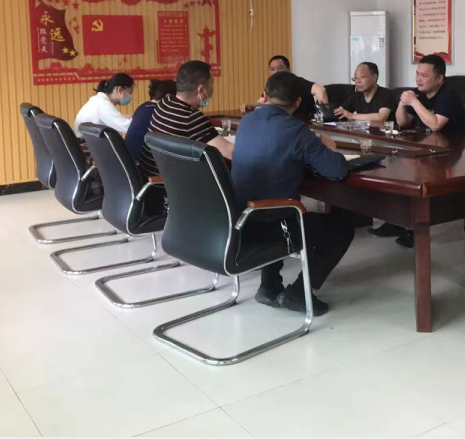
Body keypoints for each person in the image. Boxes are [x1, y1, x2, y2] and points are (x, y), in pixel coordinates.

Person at [231, 71, 354, 316]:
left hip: (240, 220)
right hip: (272, 226)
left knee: (272, 201)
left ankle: (269, 286)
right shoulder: (297, 130)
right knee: (341, 229)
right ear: (298, 102)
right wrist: (329, 149)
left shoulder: (247, 121)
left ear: (265, 96)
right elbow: (337, 170)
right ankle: (299, 293)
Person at [373, 54, 465, 248]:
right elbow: (402, 122)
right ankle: (396, 221)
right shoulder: (421, 94)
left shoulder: (448, 95)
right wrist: (402, 103)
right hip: (428, 148)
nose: (418, 79)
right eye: (417, 74)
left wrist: (414, 102)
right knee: (399, 168)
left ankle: (415, 229)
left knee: (416, 175)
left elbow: (435, 124)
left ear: (439, 78)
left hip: (451, 153)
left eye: (424, 76)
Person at [139, 61, 233, 179]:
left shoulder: (165, 103)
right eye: (212, 83)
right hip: (168, 185)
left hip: (150, 178)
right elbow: (230, 152)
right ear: (201, 90)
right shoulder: (191, 117)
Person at [242, 55, 327, 119]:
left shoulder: (296, 81)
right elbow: (263, 101)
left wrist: (324, 116)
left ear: (288, 69)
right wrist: (251, 106)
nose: (276, 72)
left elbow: (320, 90)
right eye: (272, 69)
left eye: (280, 68)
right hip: (283, 120)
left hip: (303, 120)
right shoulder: (273, 84)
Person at [124, 79, 177, 161]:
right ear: (168, 97)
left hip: (128, 157)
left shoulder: (144, 106)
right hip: (140, 161)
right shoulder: (159, 111)